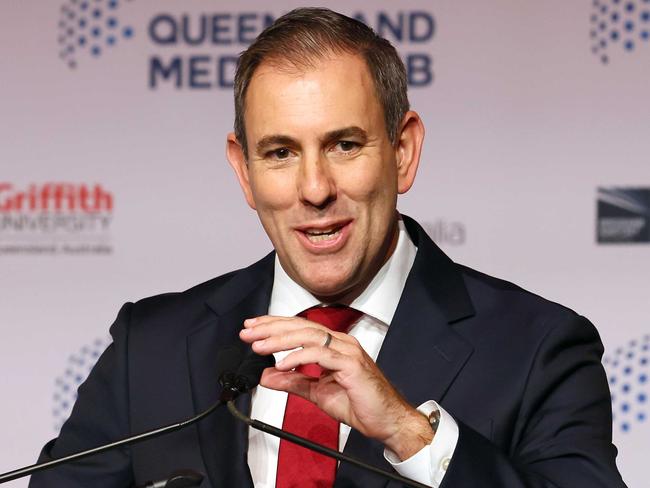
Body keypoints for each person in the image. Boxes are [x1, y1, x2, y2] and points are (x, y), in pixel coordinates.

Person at [30, 7, 626, 488]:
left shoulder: (538, 348)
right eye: (281, 152)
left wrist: (408, 433)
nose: (314, 190)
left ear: (403, 151)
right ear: (243, 171)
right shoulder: (150, 347)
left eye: (344, 145)